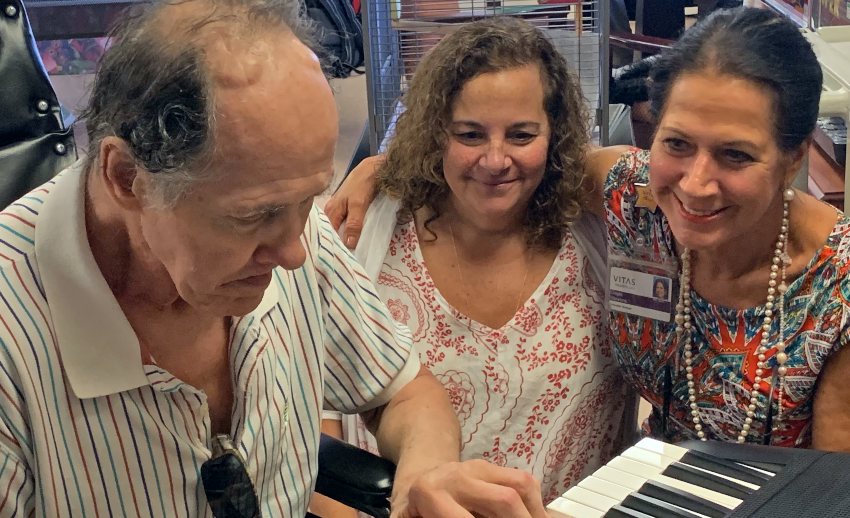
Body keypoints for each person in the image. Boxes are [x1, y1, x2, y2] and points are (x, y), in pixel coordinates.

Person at [0, 0, 550, 516]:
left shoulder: (288, 220)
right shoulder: (12, 339)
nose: (295, 253)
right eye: (251, 216)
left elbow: (404, 392)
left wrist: (423, 476)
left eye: (308, 200)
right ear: (127, 177)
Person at [326, 7, 850, 451]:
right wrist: (383, 171)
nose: (695, 184)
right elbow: (521, 164)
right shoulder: (636, 196)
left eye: (735, 155)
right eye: (677, 144)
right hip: (646, 489)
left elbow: (832, 490)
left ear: (793, 158)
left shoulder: (836, 290)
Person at [318, 17, 630, 514]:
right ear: (436, 132)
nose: (495, 159)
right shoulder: (372, 229)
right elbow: (319, 406)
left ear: (556, 135)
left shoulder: (595, 230)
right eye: (470, 134)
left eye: (522, 134)